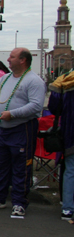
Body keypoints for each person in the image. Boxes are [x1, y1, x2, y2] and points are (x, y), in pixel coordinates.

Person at [0, 48, 46, 218]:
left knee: (21, 167)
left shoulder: (34, 81)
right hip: (2, 129)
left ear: (23, 60)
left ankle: (19, 202)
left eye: (12, 57)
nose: (8, 60)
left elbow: (36, 106)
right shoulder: (5, 78)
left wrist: (13, 114)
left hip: (21, 129)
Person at [48, 70, 74, 220]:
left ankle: (68, 208)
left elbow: (53, 107)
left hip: (70, 132)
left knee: (70, 170)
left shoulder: (64, 80)